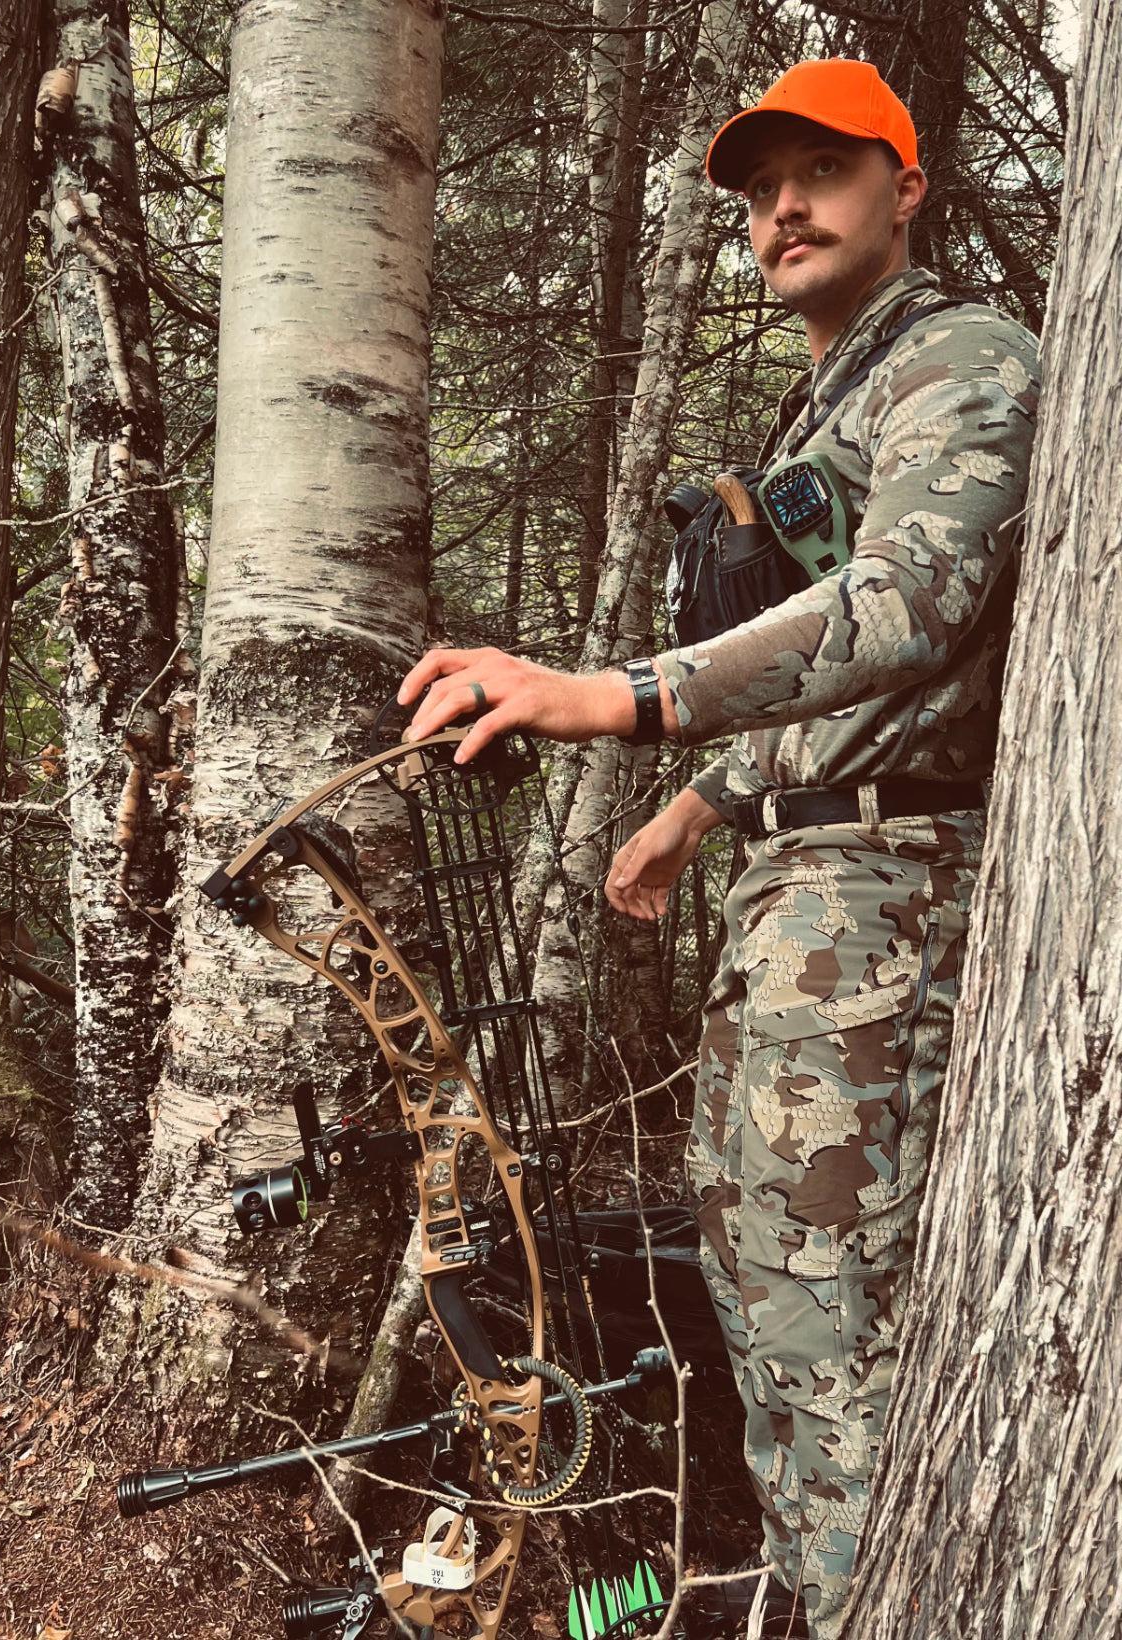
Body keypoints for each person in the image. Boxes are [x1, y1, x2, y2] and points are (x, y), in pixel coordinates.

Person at [399, 58, 1040, 1640]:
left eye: (823, 171)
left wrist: (615, 700)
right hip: (798, 902)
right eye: (759, 191)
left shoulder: (965, 357)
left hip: (889, 906)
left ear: (910, 187)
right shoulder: (838, 391)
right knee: (762, 1300)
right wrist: (696, 812)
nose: (782, 210)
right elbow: (824, 663)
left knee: (841, 1340)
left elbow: (910, 605)